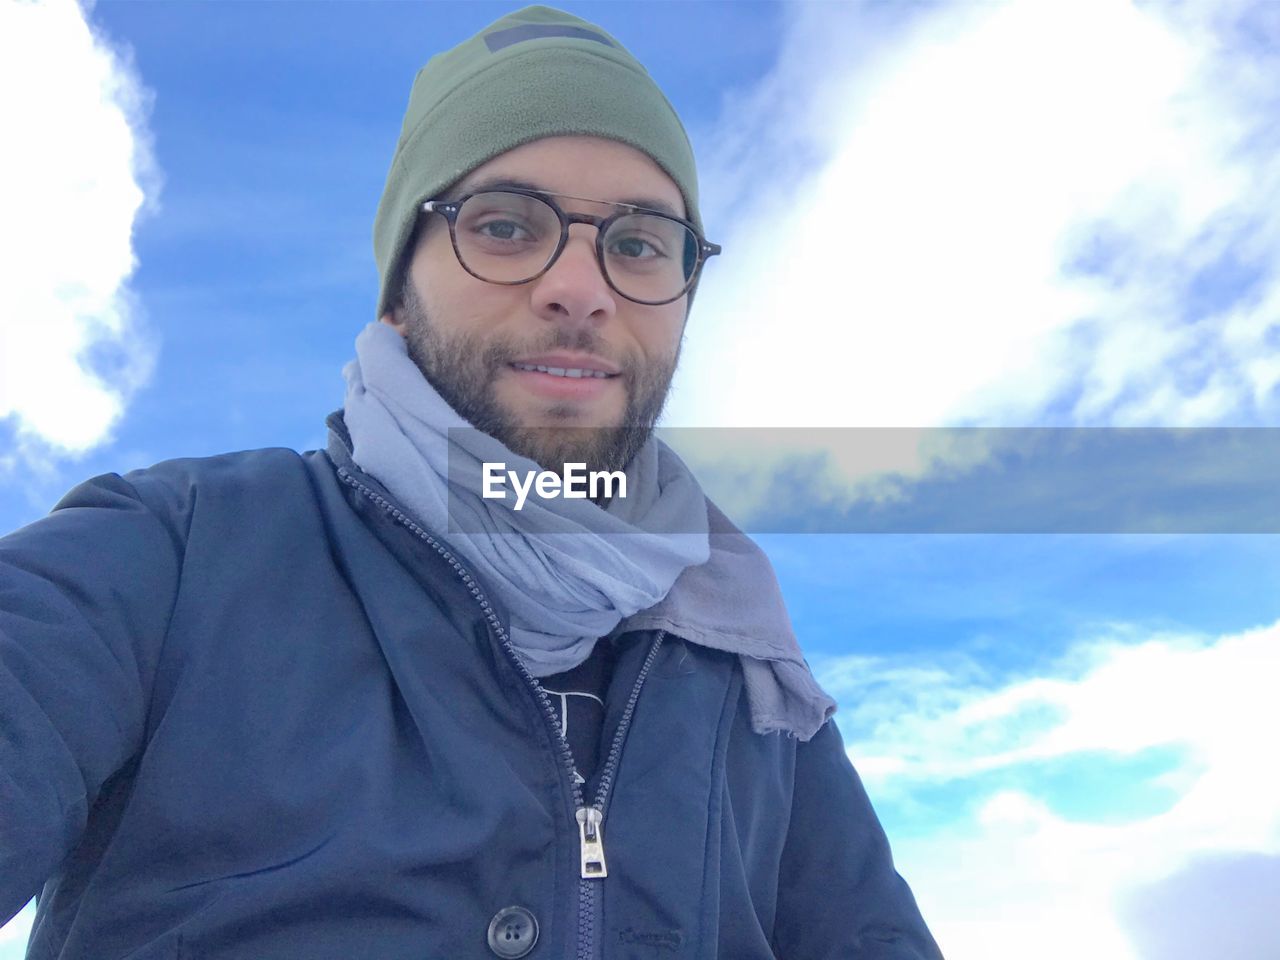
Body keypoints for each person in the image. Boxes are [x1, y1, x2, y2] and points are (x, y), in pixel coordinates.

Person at [0, 5, 943, 958]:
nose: (582, 285)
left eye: (641, 242)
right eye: (504, 225)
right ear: (399, 297)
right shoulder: (170, 555)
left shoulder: (754, 687)